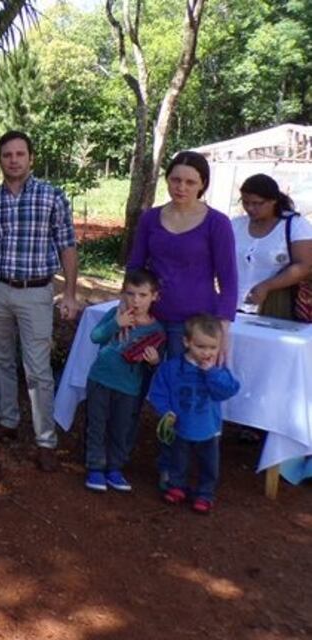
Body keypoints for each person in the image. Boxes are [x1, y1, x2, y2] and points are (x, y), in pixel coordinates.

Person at [0, 130, 79, 472]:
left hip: (36, 293)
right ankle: (8, 420)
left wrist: (69, 293)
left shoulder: (51, 197)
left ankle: (45, 440)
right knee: (0, 360)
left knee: (38, 370)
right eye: (7, 155)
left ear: (30, 158)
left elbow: (67, 245)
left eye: (19, 154)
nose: (13, 160)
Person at [126, 150, 237, 488]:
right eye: (176, 179)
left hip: (191, 328)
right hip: (150, 321)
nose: (181, 187)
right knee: (134, 388)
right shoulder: (150, 219)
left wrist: (222, 329)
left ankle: (170, 470)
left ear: (203, 184)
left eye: (190, 181)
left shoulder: (217, 223)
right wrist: (128, 307)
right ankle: (119, 457)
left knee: (180, 399)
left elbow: (229, 280)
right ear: (167, 179)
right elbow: (135, 267)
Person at [148, 314, 240, 514]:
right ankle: (177, 486)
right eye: (201, 347)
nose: (207, 353)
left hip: (209, 428)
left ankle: (205, 494)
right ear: (186, 342)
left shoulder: (218, 369)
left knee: (209, 464)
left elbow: (228, 390)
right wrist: (166, 413)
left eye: (212, 348)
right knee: (178, 459)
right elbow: (158, 392)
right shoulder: (172, 368)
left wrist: (211, 373)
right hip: (180, 426)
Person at [83, 269, 164, 492]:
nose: (135, 300)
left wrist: (154, 360)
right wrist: (115, 324)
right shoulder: (115, 314)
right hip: (100, 379)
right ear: (122, 294)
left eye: (142, 295)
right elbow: (95, 336)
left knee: (122, 427)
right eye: (130, 294)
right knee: (97, 424)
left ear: (154, 296)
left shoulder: (157, 329)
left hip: (129, 387)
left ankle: (115, 468)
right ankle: (95, 467)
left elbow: (155, 364)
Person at [232, 173, 312, 318]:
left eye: (257, 203)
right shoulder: (236, 225)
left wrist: (267, 286)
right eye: (245, 202)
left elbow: (305, 266)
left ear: (273, 201)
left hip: (278, 309)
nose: (250, 208)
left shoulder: (295, 225)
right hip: (235, 308)